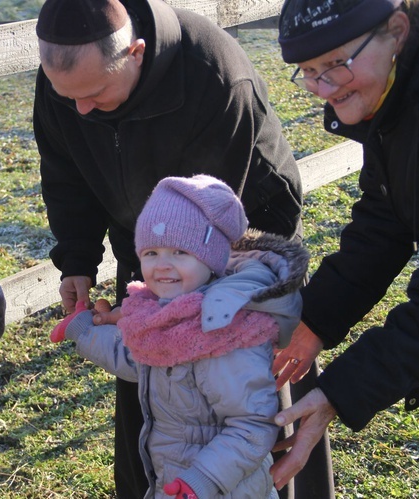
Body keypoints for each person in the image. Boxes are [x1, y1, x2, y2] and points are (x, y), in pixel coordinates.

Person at [32, 0, 334, 497]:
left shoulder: (213, 74)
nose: (80, 108)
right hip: (152, 258)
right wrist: (78, 260)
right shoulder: (68, 82)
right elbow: (66, 175)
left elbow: (219, 217)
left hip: (235, 259)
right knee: (154, 408)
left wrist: (170, 311)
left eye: (94, 93)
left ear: (135, 52)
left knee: (242, 406)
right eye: (69, 98)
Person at [271, 0, 419, 496]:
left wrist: (337, 392)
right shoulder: (403, 96)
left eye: (335, 63)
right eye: (308, 71)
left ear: (397, 31)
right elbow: (386, 220)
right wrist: (312, 322)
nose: (321, 86)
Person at [50, 175, 309, 499]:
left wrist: (200, 482)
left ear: (213, 256)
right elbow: (134, 357)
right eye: (151, 253)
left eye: (179, 251)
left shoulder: (229, 335)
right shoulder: (166, 318)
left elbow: (252, 428)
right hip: (173, 485)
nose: (162, 266)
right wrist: (84, 330)